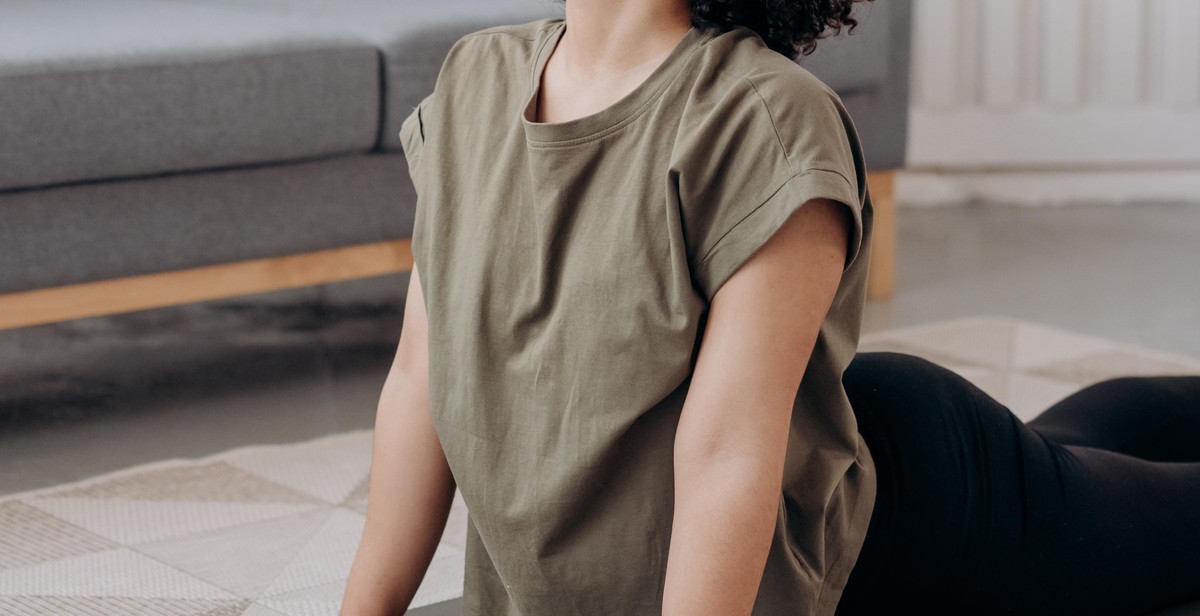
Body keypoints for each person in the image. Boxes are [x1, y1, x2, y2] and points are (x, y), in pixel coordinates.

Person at [339, 0, 1200, 614]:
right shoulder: (472, 80)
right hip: (831, 423)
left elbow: (726, 456)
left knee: (1161, 526)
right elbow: (421, 378)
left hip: (905, 512)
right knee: (1074, 450)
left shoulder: (764, 118)